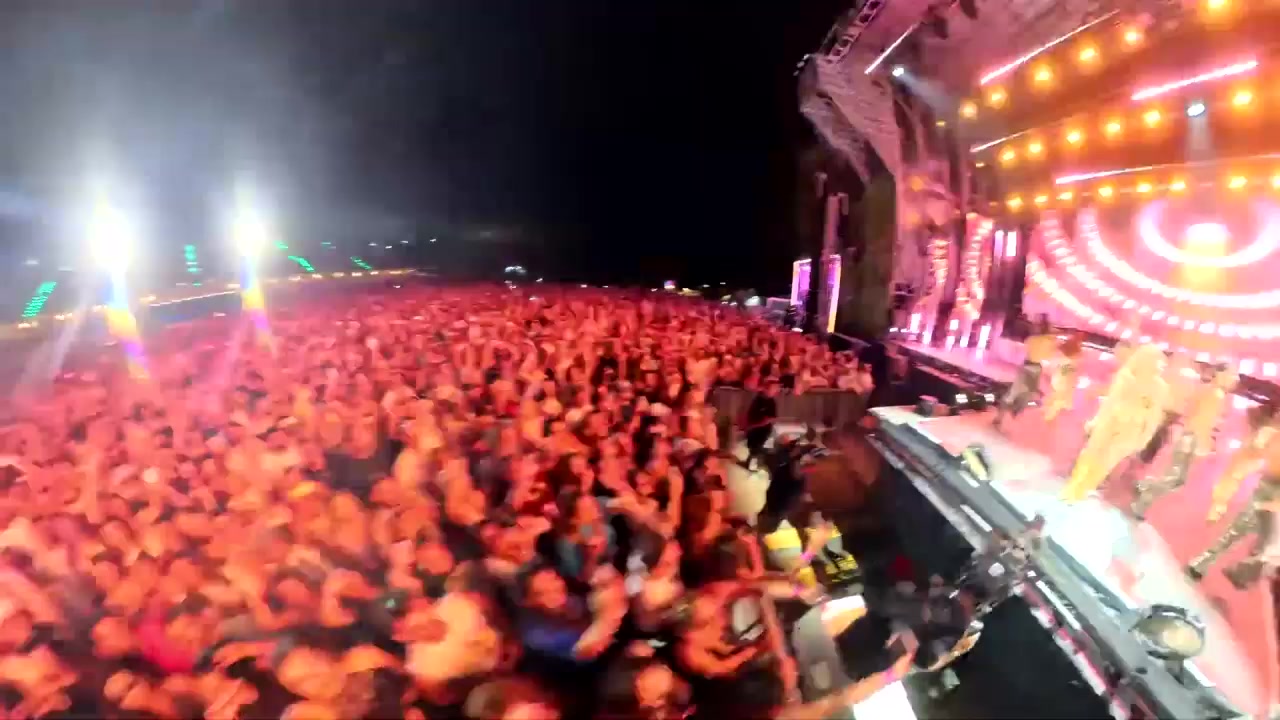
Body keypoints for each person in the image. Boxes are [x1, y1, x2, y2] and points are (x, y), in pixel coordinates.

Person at [741, 379, 780, 472]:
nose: (776, 391)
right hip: (754, 429)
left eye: (777, 388)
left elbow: (772, 418)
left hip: (763, 431)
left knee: (758, 449)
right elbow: (750, 415)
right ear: (766, 388)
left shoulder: (771, 401)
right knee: (754, 448)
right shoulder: (757, 400)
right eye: (774, 388)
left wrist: (766, 422)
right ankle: (751, 464)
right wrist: (751, 425)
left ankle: (753, 464)